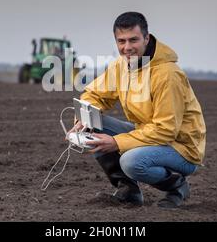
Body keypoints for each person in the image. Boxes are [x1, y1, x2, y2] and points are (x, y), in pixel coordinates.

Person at [68, 12, 206, 208]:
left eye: (133, 40)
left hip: (181, 147)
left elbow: (165, 130)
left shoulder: (168, 75)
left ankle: (177, 186)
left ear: (146, 38)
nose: (127, 47)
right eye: (121, 41)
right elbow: (95, 94)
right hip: (147, 135)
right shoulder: (121, 66)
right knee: (93, 123)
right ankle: (129, 191)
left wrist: (116, 142)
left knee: (131, 161)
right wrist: (83, 118)